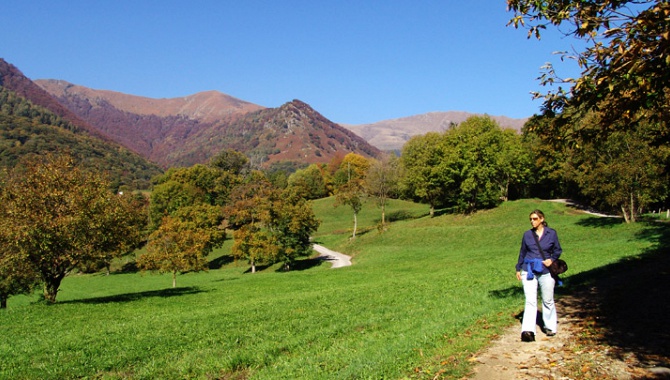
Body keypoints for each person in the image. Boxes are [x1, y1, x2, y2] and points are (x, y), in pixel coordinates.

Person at [515, 209, 563, 342]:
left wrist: (552, 259)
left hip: (546, 270)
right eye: (531, 219)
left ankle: (550, 326)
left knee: (547, 300)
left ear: (542, 219)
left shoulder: (551, 233)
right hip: (529, 269)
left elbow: (558, 250)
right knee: (530, 301)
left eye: (535, 219)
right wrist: (518, 268)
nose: (532, 221)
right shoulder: (527, 235)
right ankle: (528, 331)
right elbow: (522, 252)